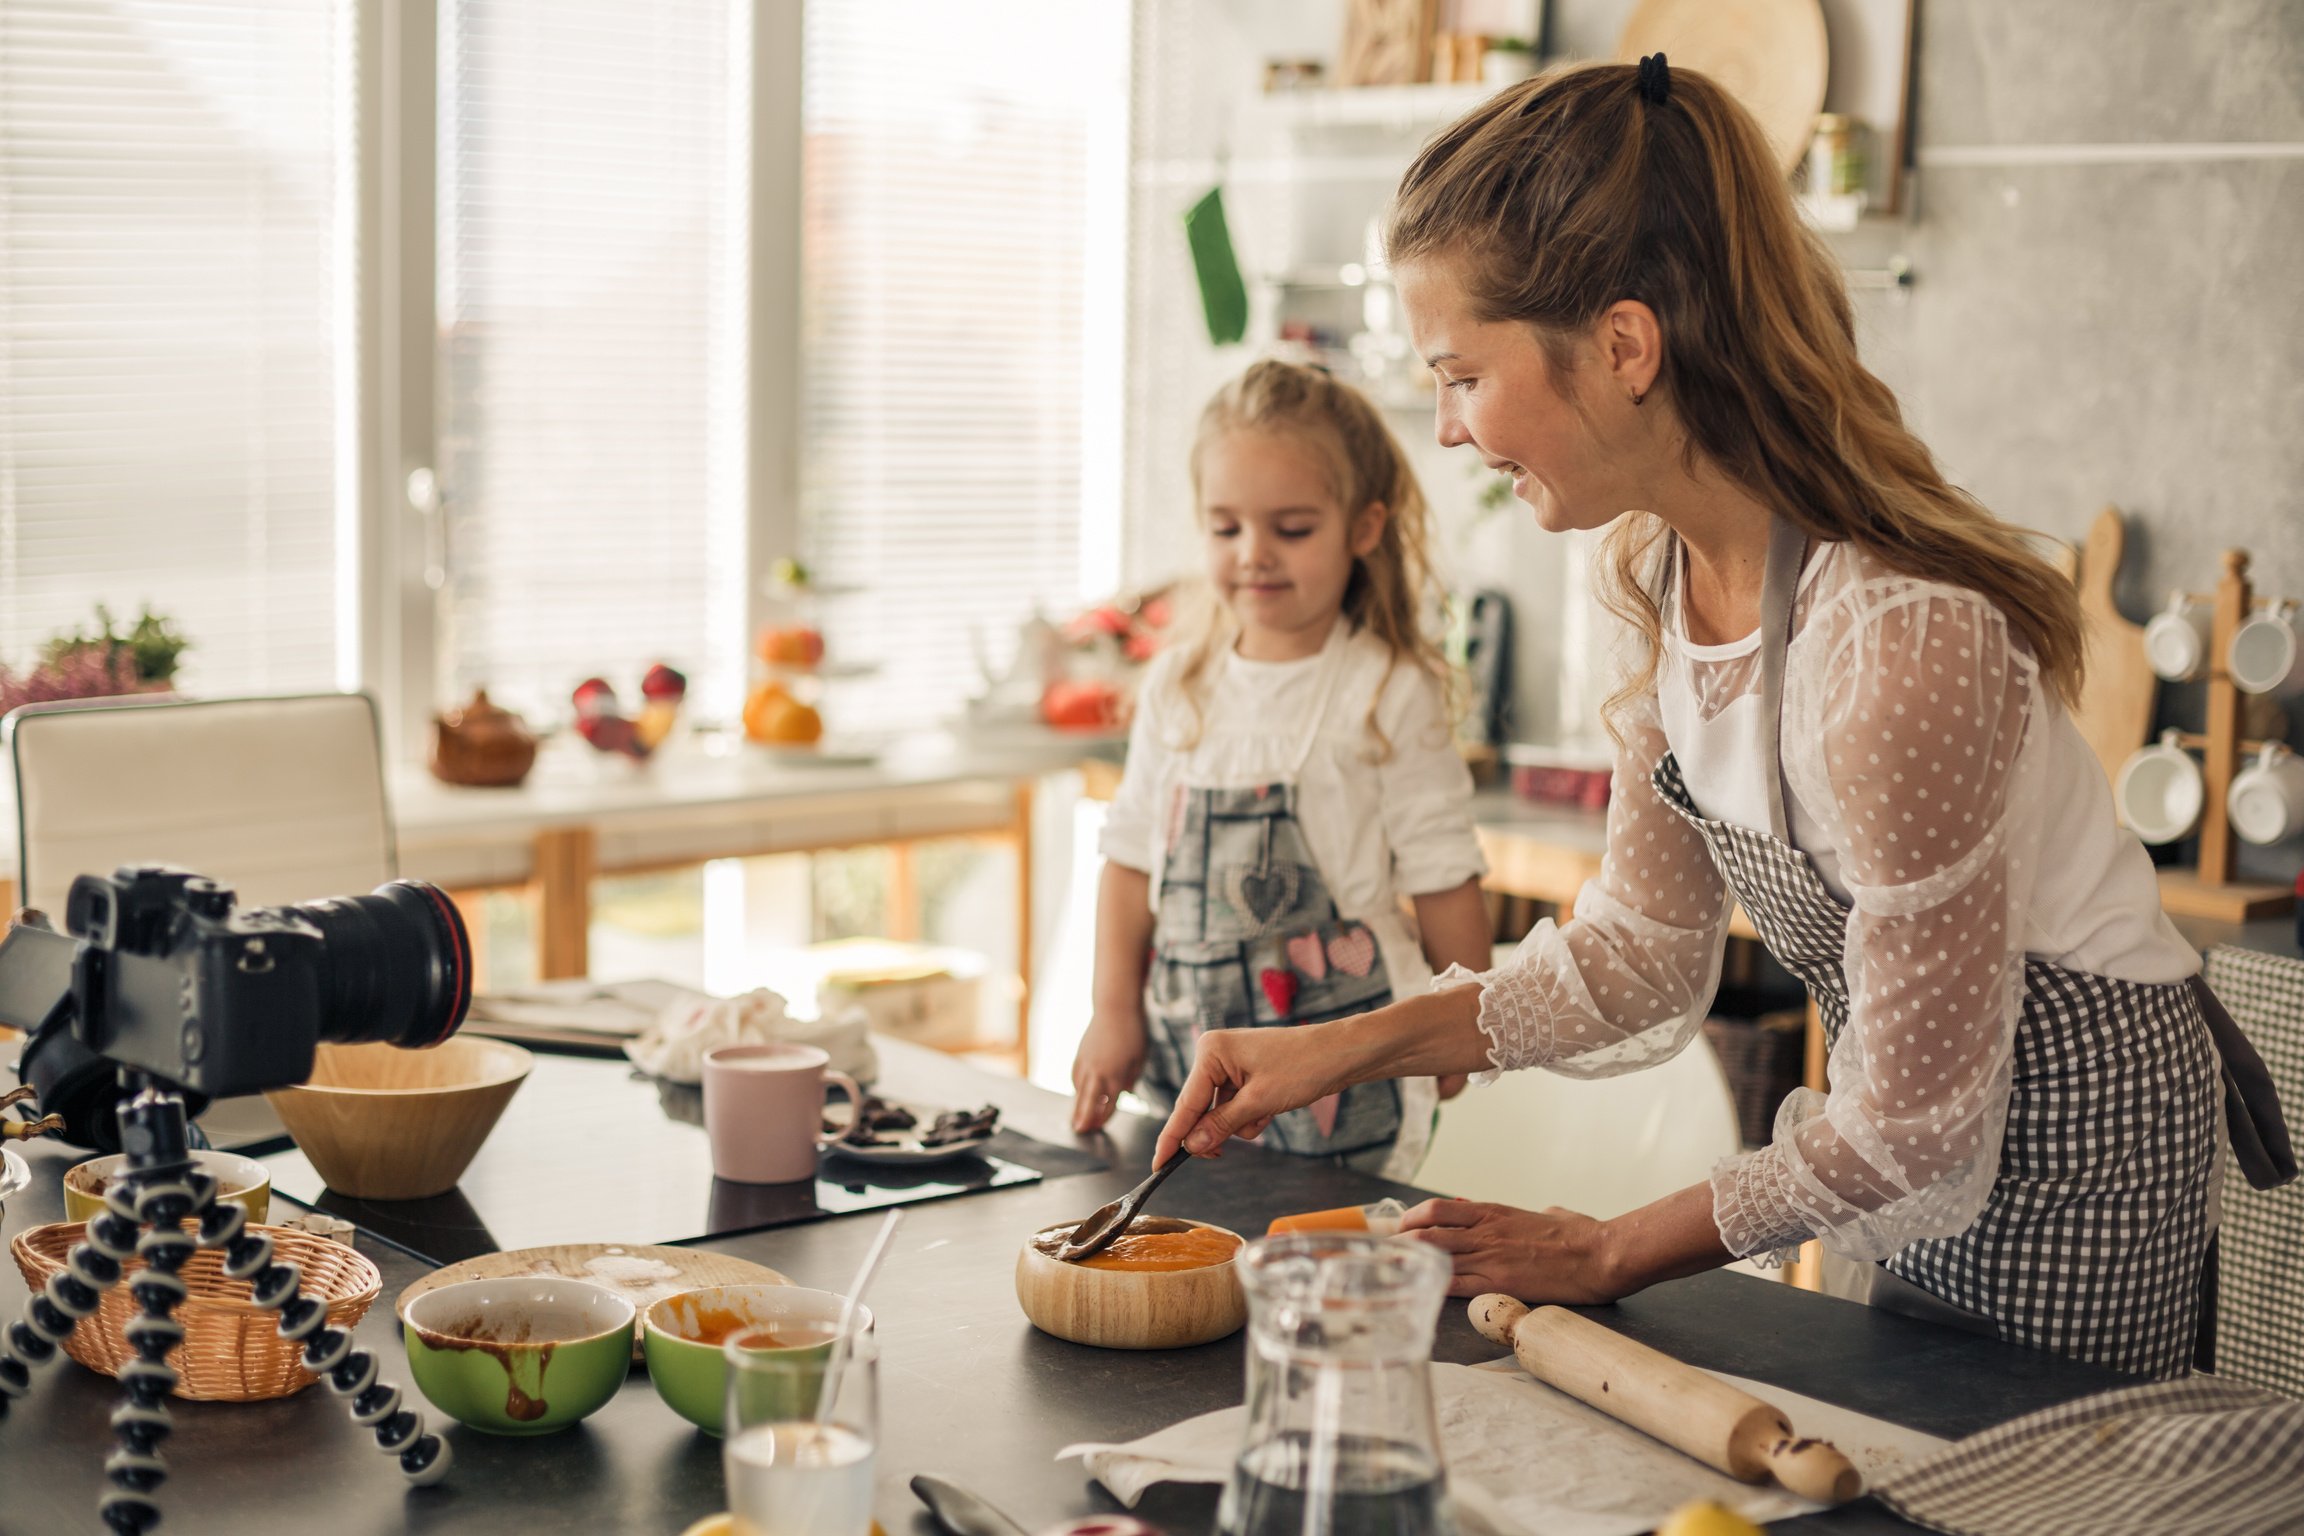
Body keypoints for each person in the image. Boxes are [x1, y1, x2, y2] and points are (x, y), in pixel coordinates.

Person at [1152, 58, 2292, 1380]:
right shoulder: (1656, 578)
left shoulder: (1896, 649)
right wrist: (1337, 1047)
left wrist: (1609, 1250)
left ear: (1626, 347)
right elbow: (1639, 956)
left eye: (1463, 377)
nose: (1449, 432)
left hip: (2077, 1151)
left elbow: (1917, 1126)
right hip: (1902, 1134)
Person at [1072, 358, 1494, 1181]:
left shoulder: (1387, 690)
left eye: (1291, 529)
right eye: (1226, 529)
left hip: (1347, 1070)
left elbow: (1446, 876)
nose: (1254, 555)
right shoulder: (1178, 684)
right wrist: (1111, 1010)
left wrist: (1464, 1021)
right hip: (1190, 1067)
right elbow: (1128, 864)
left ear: (1363, 528)